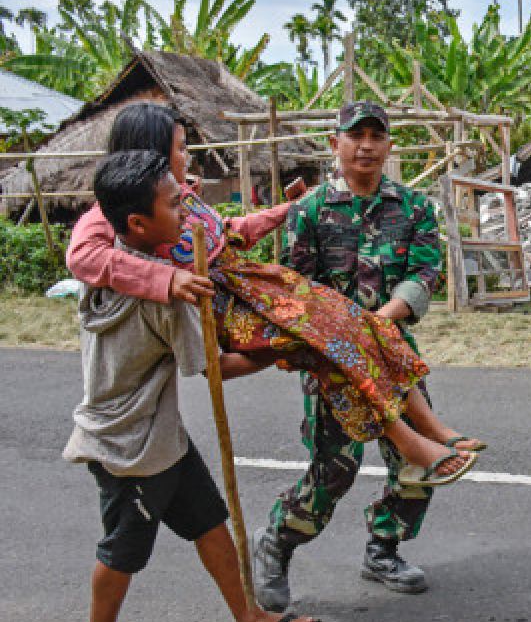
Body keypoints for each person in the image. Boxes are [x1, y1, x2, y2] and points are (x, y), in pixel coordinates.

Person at [66, 102, 480, 488]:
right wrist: (165, 280)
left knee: (354, 321)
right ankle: (410, 445)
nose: (188, 156)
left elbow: (228, 233)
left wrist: (284, 211)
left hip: (254, 283)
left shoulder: (183, 195)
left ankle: (428, 427)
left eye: (377, 137)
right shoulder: (113, 210)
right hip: (231, 302)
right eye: (180, 147)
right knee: (331, 340)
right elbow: (82, 256)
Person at [65, 151, 321, 622]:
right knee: (125, 547)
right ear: (137, 222)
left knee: (207, 520)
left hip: (160, 435)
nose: (186, 209)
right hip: (128, 446)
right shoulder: (164, 292)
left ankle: (250, 621)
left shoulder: (116, 264)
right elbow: (216, 368)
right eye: (172, 203)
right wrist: (285, 349)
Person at [253, 100, 485, 611]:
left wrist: (386, 316)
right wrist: (345, 331)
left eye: (376, 136)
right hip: (329, 359)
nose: (365, 146)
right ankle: (278, 541)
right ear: (335, 143)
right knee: (335, 467)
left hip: (394, 349)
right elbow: (299, 289)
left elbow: (426, 271)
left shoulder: (415, 207)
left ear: (389, 146)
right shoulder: (309, 212)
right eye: (355, 136)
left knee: (420, 461)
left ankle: (384, 548)